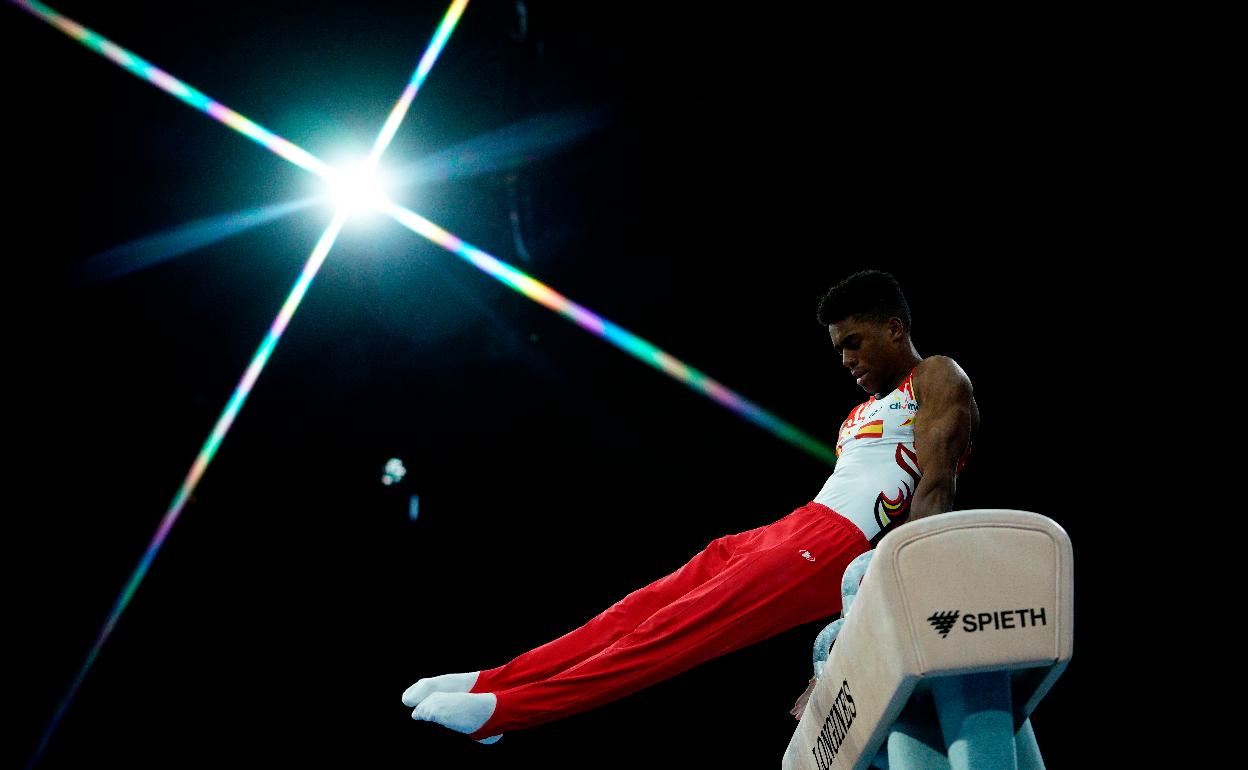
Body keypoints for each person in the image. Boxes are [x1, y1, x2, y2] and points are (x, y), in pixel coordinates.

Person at [401, 269, 980, 743]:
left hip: (834, 547)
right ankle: (493, 680)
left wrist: (855, 642)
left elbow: (934, 497)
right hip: (794, 528)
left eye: (854, 342)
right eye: (837, 349)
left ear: (894, 326)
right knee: (637, 610)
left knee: (673, 632)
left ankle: (510, 712)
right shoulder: (860, 415)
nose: (846, 360)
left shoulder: (935, 377)